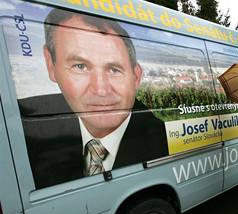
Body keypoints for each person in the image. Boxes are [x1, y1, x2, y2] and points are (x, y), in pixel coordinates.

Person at [18, 9, 168, 189]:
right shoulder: (28, 127)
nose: (101, 90)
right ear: (51, 65)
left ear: (136, 77)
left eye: (114, 69)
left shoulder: (163, 140)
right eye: (80, 66)